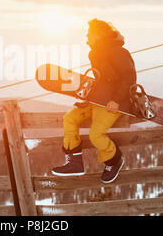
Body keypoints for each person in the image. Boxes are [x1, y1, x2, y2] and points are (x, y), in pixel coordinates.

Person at [51, 19, 137, 183]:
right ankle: (75, 162)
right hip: (98, 100)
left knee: (95, 135)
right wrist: (87, 99)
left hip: (114, 103)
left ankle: (114, 159)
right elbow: (101, 80)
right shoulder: (97, 52)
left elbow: (129, 77)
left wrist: (116, 100)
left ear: (99, 34)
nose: (87, 36)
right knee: (70, 118)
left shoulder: (118, 51)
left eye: (89, 33)